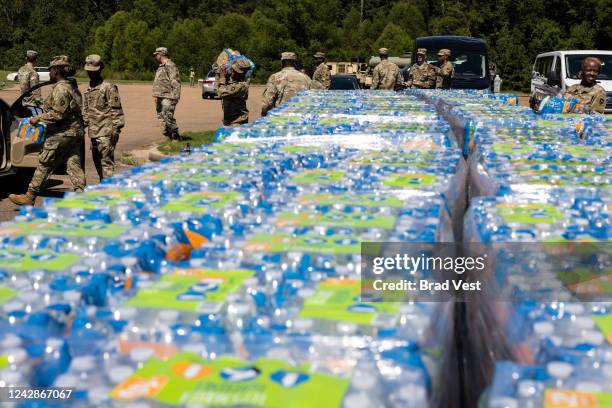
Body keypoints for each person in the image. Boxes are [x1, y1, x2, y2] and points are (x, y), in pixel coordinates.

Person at [9, 56, 86, 206]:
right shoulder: (72, 87)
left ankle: (29, 196)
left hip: (61, 133)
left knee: (44, 163)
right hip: (75, 133)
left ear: (56, 71)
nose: (49, 73)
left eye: (50, 70)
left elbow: (58, 114)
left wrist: (37, 119)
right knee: (74, 164)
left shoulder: (61, 89)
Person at [82, 54, 125, 181]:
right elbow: (86, 113)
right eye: (89, 71)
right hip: (94, 134)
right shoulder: (88, 89)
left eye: (93, 71)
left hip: (106, 133)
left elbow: (116, 110)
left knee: (106, 165)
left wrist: (116, 130)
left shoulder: (108, 87)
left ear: (100, 70)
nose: (91, 74)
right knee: (98, 163)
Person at [261, 52, 312, 116]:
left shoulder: (275, 77)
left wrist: (264, 115)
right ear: (295, 63)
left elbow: (267, 103)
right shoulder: (306, 78)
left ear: (282, 63)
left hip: (282, 118)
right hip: (302, 118)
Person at [152, 47, 181, 140]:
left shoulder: (170, 65)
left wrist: (176, 96)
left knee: (168, 116)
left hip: (168, 96)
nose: (155, 56)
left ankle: (175, 135)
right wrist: (156, 95)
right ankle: (169, 135)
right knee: (161, 116)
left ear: (161, 54)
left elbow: (175, 81)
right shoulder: (161, 66)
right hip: (160, 96)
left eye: (156, 54)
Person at [218, 59, 250, 126]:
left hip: (238, 122)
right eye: (233, 70)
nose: (233, 72)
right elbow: (218, 89)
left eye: (235, 71)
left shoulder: (241, 86)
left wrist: (222, 78)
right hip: (229, 121)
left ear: (242, 73)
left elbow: (222, 93)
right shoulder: (234, 82)